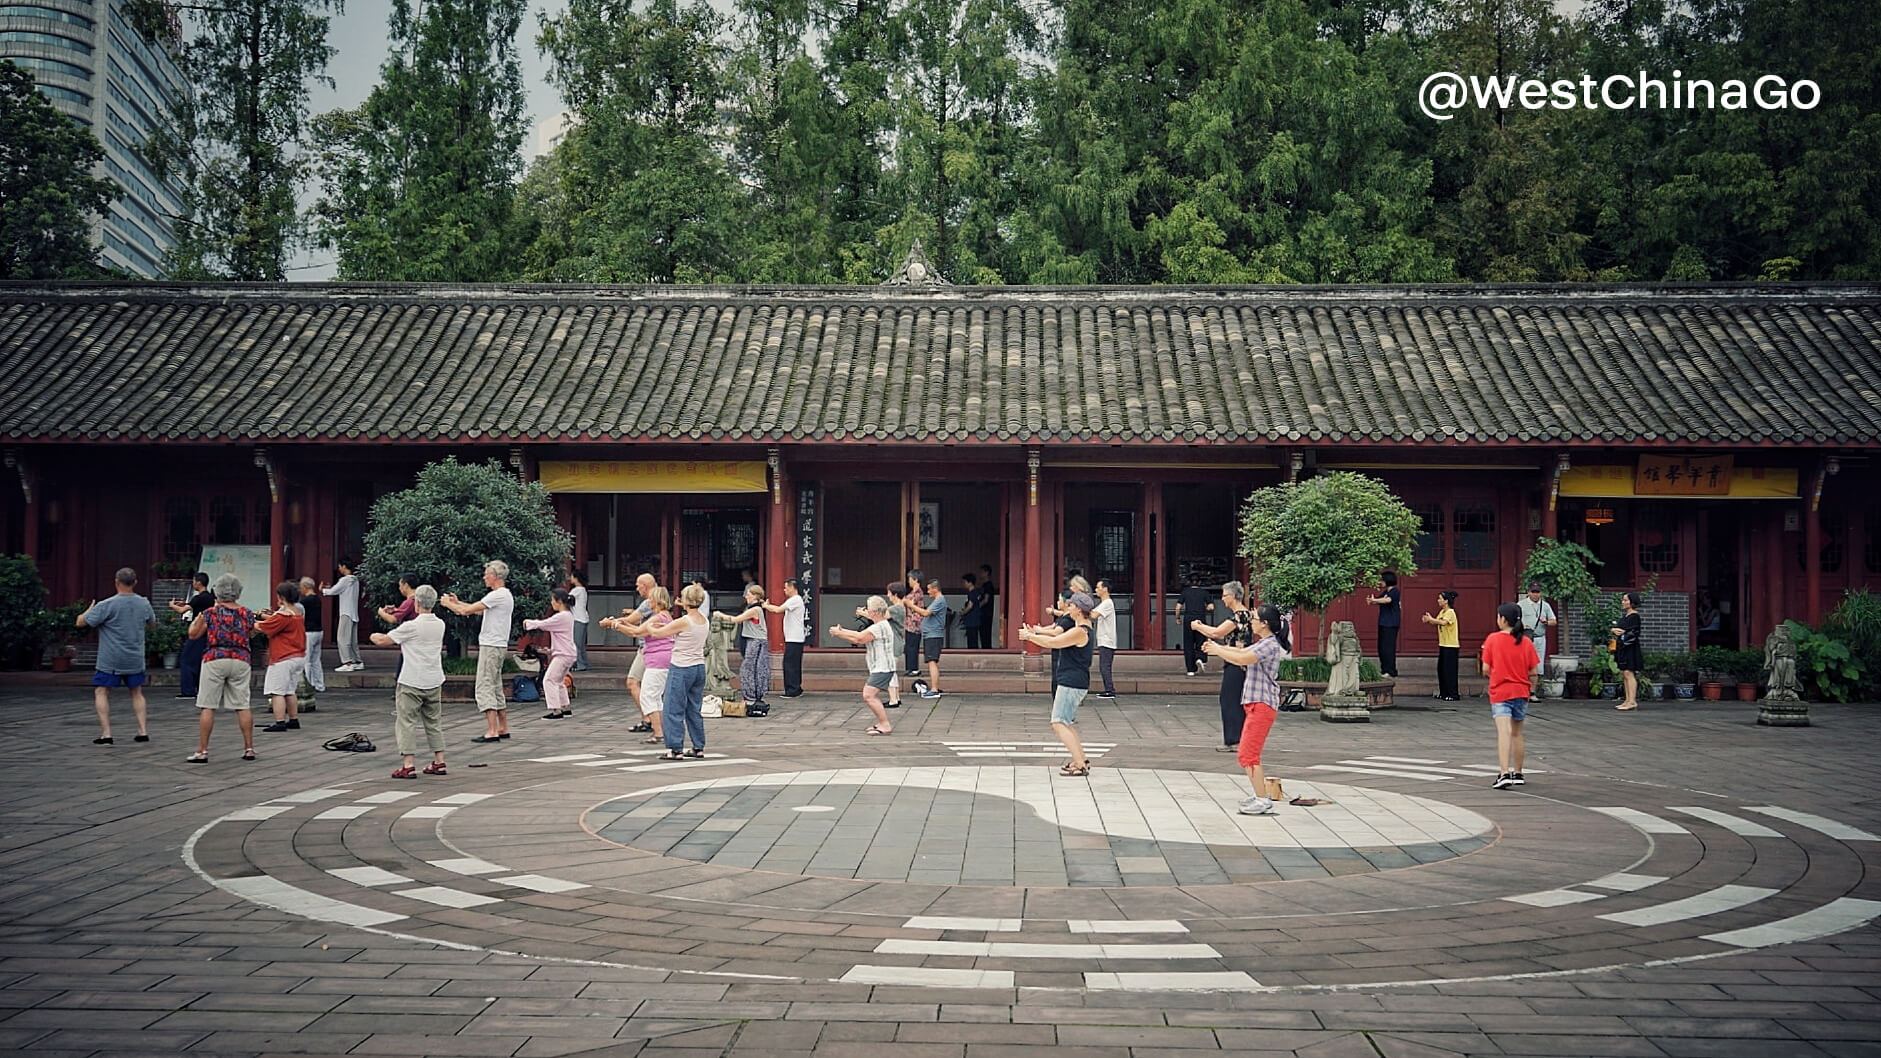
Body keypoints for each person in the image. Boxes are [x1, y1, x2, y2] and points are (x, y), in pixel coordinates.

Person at [1202, 603, 1292, 815]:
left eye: (1254, 619)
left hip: (1262, 704)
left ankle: (1262, 799)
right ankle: (1259, 794)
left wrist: (1216, 649)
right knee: (1248, 753)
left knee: (1248, 754)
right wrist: (1219, 649)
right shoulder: (1264, 642)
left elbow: (1243, 658)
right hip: (1255, 703)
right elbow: (1239, 652)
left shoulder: (1269, 645)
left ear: (1264, 623)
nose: (1251, 622)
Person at [371, 584, 448, 778]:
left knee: (406, 722)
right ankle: (439, 761)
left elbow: (384, 640)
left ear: (417, 604)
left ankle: (408, 764)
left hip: (412, 680)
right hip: (434, 678)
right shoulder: (440, 624)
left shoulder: (411, 626)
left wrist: (373, 635)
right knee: (433, 722)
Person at [1020, 592, 1096, 777]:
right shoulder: (1084, 628)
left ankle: (1079, 763)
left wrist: (1029, 636)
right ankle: (1081, 759)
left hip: (1071, 682)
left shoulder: (1080, 631)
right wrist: (1036, 632)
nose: (1067, 608)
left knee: (1058, 722)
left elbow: (1054, 642)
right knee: (1066, 722)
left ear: (1078, 609)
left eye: (1071, 606)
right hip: (1076, 681)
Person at [184, 573, 257, 763]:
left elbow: (193, 634)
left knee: (208, 705)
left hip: (215, 658)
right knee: (242, 704)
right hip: (241, 658)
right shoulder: (247, 613)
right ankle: (249, 748)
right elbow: (253, 632)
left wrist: (198, 618)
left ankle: (203, 751)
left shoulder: (210, 613)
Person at [78, 567, 155, 745]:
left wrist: (88, 610)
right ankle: (142, 731)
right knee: (136, 692)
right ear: (135, 583)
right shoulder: (144, 603)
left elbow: (81, 622)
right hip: (135, 657)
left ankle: (107, 734)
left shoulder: (106, 605)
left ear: (116, 582)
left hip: (110, 659)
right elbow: (152, 623)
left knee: (102, 691)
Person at [440, 560, 514, 743]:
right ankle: (502, 727)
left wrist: (448, 604)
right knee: (495, 685)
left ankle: (492, 730)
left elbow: (466, 612)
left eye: (486, 574)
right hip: (497, 645)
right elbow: (477, 609)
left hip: (491, 645)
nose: (484, 577)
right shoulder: (503, 596)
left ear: (495, 576)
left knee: (485, 685)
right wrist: (458, 602)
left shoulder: (497, 595)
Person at [644, 583, 709, 760]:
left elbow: (658, 634)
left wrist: (650, 626)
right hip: (698, 667)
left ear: (686, 601)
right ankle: (698, 746)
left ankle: (675, 748)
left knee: (673, 708)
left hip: (681, 667)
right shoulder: (704, 620)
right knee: (693, 708)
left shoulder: (684, 621)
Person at [1481, 602, 1541, 788]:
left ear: (1503, 619)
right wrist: (1531, 690)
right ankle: (1519, 773)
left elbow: (1485, 669)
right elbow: (1534, 672)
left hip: (1501, 691)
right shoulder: (1526, 642)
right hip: (1521, 692)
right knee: (1517, 733)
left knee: (1504, 733)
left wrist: (1497, 675)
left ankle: (1504, 772)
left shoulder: (1493, 639)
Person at [1192, 580, 1252, 753]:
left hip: (1237, 662)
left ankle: (1235, 740)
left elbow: (1216, 633)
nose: (1222, 599)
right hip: (1236, 659)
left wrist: (1198, 626)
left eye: (1225, 595)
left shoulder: (1240, 615)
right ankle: (1236, 739)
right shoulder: (1244, 614)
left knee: (1230, 700)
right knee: (1233, 699)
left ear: (1233, 596)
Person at [606, 587, 672, 744]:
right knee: (655, 696)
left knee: (648, 696)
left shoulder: (657, 618)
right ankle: (661, 730)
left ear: (656, 601)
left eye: (651, 599)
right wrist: (620, 623)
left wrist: (614, 625)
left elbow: (637, 633)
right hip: (663, 659)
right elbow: (638, 629)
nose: (648, 602)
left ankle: (658, 732)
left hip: (657, 661)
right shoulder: (666, 616)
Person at [828, 595, 896, 735]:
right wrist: (842, 631)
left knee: (868, 695)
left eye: (868, 609)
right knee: (870, 695)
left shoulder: (880, 627)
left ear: (873, 612)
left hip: (883, 668)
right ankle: (882, 723)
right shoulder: (880, 625)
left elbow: (859, 639)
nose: (866, 611)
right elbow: (860, 635)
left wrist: (839, 633)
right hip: (881, 667)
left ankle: (885, 724)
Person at [257, 581, 308, 732]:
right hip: (298, 656)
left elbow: (262, 627)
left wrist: (246, 620)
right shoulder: (297, 612)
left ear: (281, 597)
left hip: (283, 657)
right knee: (289, 690)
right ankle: (293, 719)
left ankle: (279, 721)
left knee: (277, 691)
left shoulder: (283, 615)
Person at [525, 588, 579, 719]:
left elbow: (545, 624)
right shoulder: (568, 615)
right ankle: (565, 707)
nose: (551, 603)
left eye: (552, 600)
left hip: (563, 654)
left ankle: (556, 710)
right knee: (558, 681)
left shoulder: (562, 616)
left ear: (559, 601)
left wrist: (529, 623)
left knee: (549, 680)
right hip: (567, 653)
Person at [724, 583, 772, 712]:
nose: (746, 596)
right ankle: (752, 696)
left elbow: (736, 619)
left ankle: (751, 696)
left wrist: (719, 615)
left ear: (755, 596)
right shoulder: (754, 608)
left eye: (749, 594)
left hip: (755, 641)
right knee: (754, 669)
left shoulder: (754, 610)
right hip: (753, 640)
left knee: (749, 669)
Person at [620, 572, 660, 726]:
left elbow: (631, 622)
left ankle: (648, 719)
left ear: (645, 586)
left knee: (632, 682)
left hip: (648, 647)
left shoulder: (649, 602)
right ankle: (652, 720)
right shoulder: (658, 598)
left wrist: (612, 623)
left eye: (638, 585)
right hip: (655, 647)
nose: (637, 589)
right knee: (650, 688)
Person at [168, 571, 213, 700]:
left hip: (197, 632)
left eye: (194, 581)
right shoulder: (210, 598)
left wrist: (172, 606)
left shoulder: (198, 598)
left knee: (186, 660)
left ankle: (188, 691)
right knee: (199, 662)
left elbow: (182, 610)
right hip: (208, 633)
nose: (193, 583)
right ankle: (200, 689)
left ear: (198, 582)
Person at [764, 578, 807, 697]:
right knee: (793, 664)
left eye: (786, 587)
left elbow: (778, 610)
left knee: (790, 665)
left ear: (792, 587)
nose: (784, 590)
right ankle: (796, 688)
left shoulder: (795, 600)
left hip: (794, 638)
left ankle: (792, 690)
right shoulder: (795, 600)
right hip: (794, 637)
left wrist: (766, 606)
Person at [321, 557, 363, 672]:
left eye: (340, 566)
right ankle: (357, 661)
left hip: (345, 612)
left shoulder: (345, 580)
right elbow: (339, 590)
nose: (339, 569)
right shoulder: (355, 580)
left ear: (344, 566)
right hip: (353, 612)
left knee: (342, 638)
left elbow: (333, 591)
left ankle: (347, 662)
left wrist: (323, 590)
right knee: (353, 640)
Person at [1516, 582, 1558, 697]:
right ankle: (1522, 691)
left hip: (1540, 638)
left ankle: (1532, 692)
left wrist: (1546, 622)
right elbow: (1515, 620)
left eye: (1537, 592)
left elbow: (1554, 621)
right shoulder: (1521, 604)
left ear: (1541, 593)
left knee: (1538, 665)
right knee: (1524, 664)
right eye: (1533, 592)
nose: (1535, 594)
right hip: (1526, 637)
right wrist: (1521, 625)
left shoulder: (1545, 605)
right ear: (1528, 592)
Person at [910, 577, 947, 698]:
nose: (928, 592)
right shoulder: (937, 600)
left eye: (929, 589)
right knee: (931, 661)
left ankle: (934, 689)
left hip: (933, 635)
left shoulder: (939, 600)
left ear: (935, 589)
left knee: (932, 661)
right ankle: (935, 687)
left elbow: (925, 613)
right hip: (931, 635)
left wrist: (910, 605)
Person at [1421, 590, 1461, 701]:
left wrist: (1431, 619)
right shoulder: (1442, 612)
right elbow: (1437, 621)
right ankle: (1444, 693)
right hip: (1443, 645)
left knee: (1450, 671)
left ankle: (1453, 694)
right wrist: (1429, 620)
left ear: (1446, 601)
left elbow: (1443, 623)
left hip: (1451, 646)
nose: (1438, 601)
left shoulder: (1450, 612)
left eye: (1440, 598)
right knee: (1442, 670)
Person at [1611, 591, 1645, 711]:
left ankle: (1632, 701)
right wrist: (1613, 630)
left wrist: (1622, 632)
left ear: (1632, 602)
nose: (1623, 602)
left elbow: (1634, 632)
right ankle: (1627, 700)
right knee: (1623, 673)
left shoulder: (1635, 616)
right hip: (1622, 647)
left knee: (1629, 673)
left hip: (1630, 647)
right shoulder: (1625, 615)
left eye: (1626, 600)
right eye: (1623, 600)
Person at [1367, 570, 1402, 677]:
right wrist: (1372, 601)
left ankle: (1390, 670)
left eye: (1382, 580)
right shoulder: (1386, 591)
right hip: (1383, 622)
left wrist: (1375, 600)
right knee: (1381, 647)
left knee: (1388, 647)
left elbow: (1387, 600)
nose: (1380, 582)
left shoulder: (1395, 591)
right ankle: (1384, 669)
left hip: (1391, 623)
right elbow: (1380, 599)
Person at [1177, 576, 1213, 677]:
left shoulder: (1185, 592)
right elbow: (1211, 607)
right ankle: (1200, 658)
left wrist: (1178, 618)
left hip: (1188, 619)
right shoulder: (1204, 593)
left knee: (1188, 644)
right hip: (1200, 618)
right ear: (1200, 582)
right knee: (1201, 640)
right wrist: (1203, 608)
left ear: (1189, 582)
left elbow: (1178, 607)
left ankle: (1190, 669)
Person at [297, 576, 327, 696]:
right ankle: (320, 685)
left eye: (301, 587)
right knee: (316, 660)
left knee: (307, 660)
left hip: (308, 632)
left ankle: (309, 684)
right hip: (319, 631)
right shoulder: (317, 599)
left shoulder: (304, 602)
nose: (300, 590)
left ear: (305, 587)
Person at [882, 583, 908, 709]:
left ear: (895, 594)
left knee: (889, 672)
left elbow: (881, 617)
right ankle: (896, 698)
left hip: (893, 643)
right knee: (892, 672)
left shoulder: (896, 608)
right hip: (896, 642)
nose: (888, 595)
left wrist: (864, 613)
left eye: (889, 593)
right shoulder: (900, 607)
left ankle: (893, 699)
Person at [1091, 579, 1119, 698]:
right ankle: (1108, 689)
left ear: (1105, 589)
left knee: (1105, 666)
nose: (1096, 590)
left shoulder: (1107, 603)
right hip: (1104, 639)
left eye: (1098, 588)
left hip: (1107, 640)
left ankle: (1110, 690)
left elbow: (1093, 615)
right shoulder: (1103, 603)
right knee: (1104, 666)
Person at [901, 569, 926, 677]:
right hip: (910, 623)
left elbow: (909, 603)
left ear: (915, 579)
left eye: (910, 579)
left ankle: (913, 668)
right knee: (909, 646)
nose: (909, 581)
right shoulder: (913, 592)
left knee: (912, 646)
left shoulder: (917, 592)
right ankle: (909, 668)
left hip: (914, 623)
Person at [568, 570, 592, 671]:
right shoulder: (583, 590)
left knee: (576, 643)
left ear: (576, 578)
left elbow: (567, 599)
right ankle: (584, 663)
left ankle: (580, 664)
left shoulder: (577, 590)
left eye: (572, 576)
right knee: (581, 644)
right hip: (583, 618)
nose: (570, 578)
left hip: (578, 618)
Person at [959, 572, 986, 650]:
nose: (964, 584)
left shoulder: (971, 593)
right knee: (974, 639)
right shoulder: (977, 592)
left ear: (970, 583)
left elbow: (970, 606)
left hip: (971, 620)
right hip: (976, 619)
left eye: (965, 582)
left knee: (971, 640)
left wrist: (963, 613)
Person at [979, 563, 999, 647]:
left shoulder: (988, 585)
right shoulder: (984, 585)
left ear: (987, 573)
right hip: (983, 613)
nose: (980, 574)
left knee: (985, 632)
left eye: (982, 572)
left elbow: (986, 600)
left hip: (986, 613)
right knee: (983, 633)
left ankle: (986, 648)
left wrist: (977, 607)